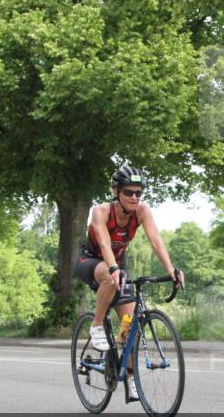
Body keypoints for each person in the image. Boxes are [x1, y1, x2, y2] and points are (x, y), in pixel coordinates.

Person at [75, 166, 185, 401]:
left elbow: (155, 240)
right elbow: (104, 243)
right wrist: (113, 268)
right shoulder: (101, 211)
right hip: (92, 261)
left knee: (131, 325)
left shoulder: (142, 211)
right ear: (116, 191)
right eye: (128, 192)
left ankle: (130, 377)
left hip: (118, 265)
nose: (134, 197)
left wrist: (171, 269)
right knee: (109, 274)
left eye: (138, 192)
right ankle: (96, 325)